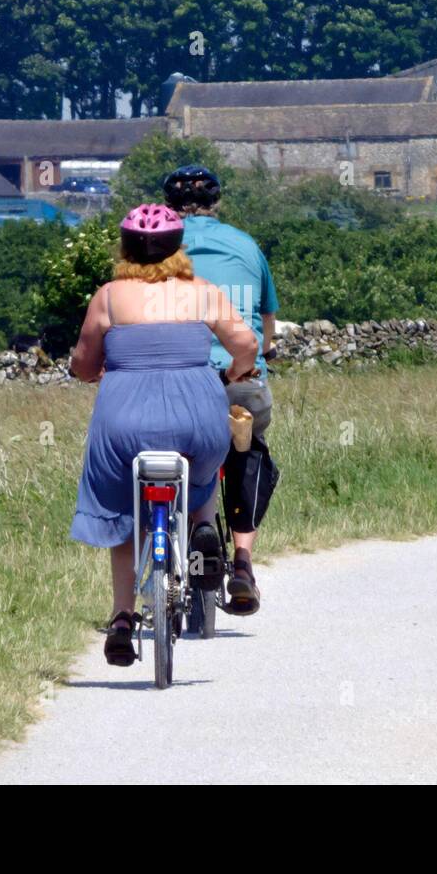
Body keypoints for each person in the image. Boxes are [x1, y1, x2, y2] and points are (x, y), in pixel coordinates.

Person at [69, 203, 259, 666]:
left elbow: (82, 363)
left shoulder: (109, 297)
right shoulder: (202, 292)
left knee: (118, 504)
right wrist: (235, 371)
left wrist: (93, 371)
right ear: (178, 245)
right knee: (205, 468)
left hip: (124, 421)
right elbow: (248, 344)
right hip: (198, 415)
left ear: (125, 247)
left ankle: (121, 618)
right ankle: (200, 530)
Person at [163, 165, 279, 614]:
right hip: (240, 378)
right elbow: (265, 326)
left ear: (168, 208)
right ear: (217, 203)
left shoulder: (159, 251)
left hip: (180, 378)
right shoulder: (247, 245)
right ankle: (244, 565)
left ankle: (195, 527)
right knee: (249, 451)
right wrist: (264, 354)